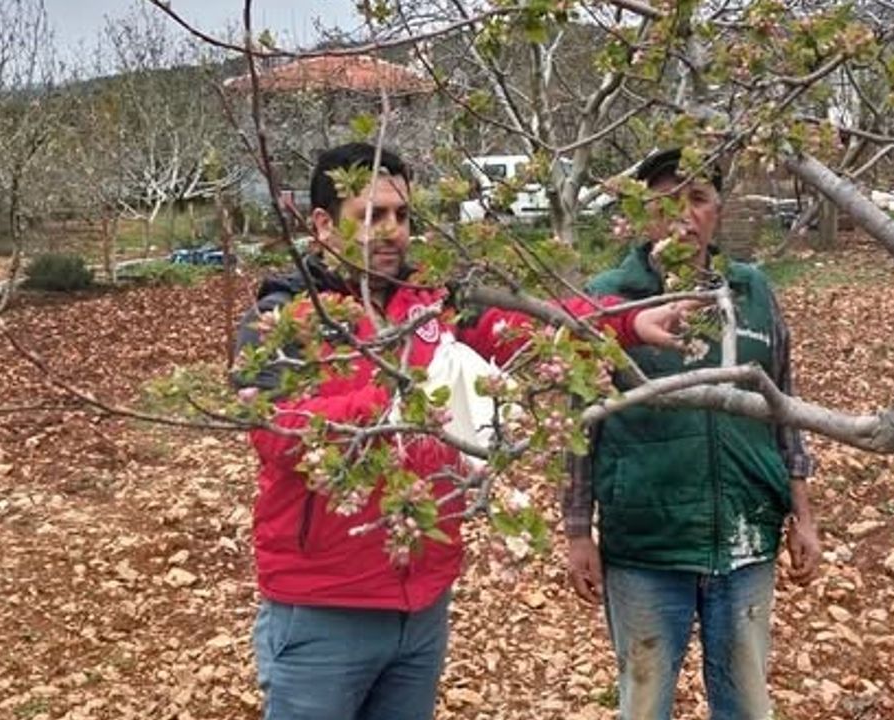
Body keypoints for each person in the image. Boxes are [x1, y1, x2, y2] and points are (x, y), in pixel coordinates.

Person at [232, 142, 699, 720]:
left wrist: (627, 321)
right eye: (371, 215)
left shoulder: (433, 302)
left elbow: (525, 324)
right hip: (323, 608)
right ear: (323, 224)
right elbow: (278, 434)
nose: (391, 231)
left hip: (422, 604)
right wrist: (399, 399)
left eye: (402, 215)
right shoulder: (283, 319)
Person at [561, 147, 821, 720]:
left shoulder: (752, 293)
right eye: (665, 201)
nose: (683, 214)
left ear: (718, 212)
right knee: (645, 699)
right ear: (641, 213)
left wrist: (803, 515)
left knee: (746, 703)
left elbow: (784, 407)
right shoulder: (608, 300)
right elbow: (581, 424)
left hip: (746, 536)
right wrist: (578, 532)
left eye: (698, 198)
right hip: (646, 543)